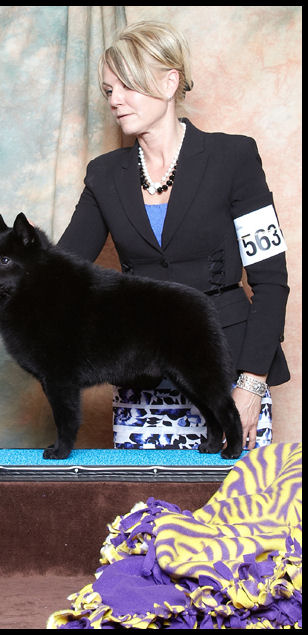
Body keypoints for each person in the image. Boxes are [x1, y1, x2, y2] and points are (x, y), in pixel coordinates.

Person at [57, 21, 289, 453]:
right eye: (108, 90)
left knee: (237, 498)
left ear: (169, 82)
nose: (115, 100)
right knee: (141, 500)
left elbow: (271, 280)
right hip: (141, 385)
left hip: (230, 376)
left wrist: (251, 384)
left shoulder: (234, 157)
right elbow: (59, 274)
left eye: (127, 85)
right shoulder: (104, 175)